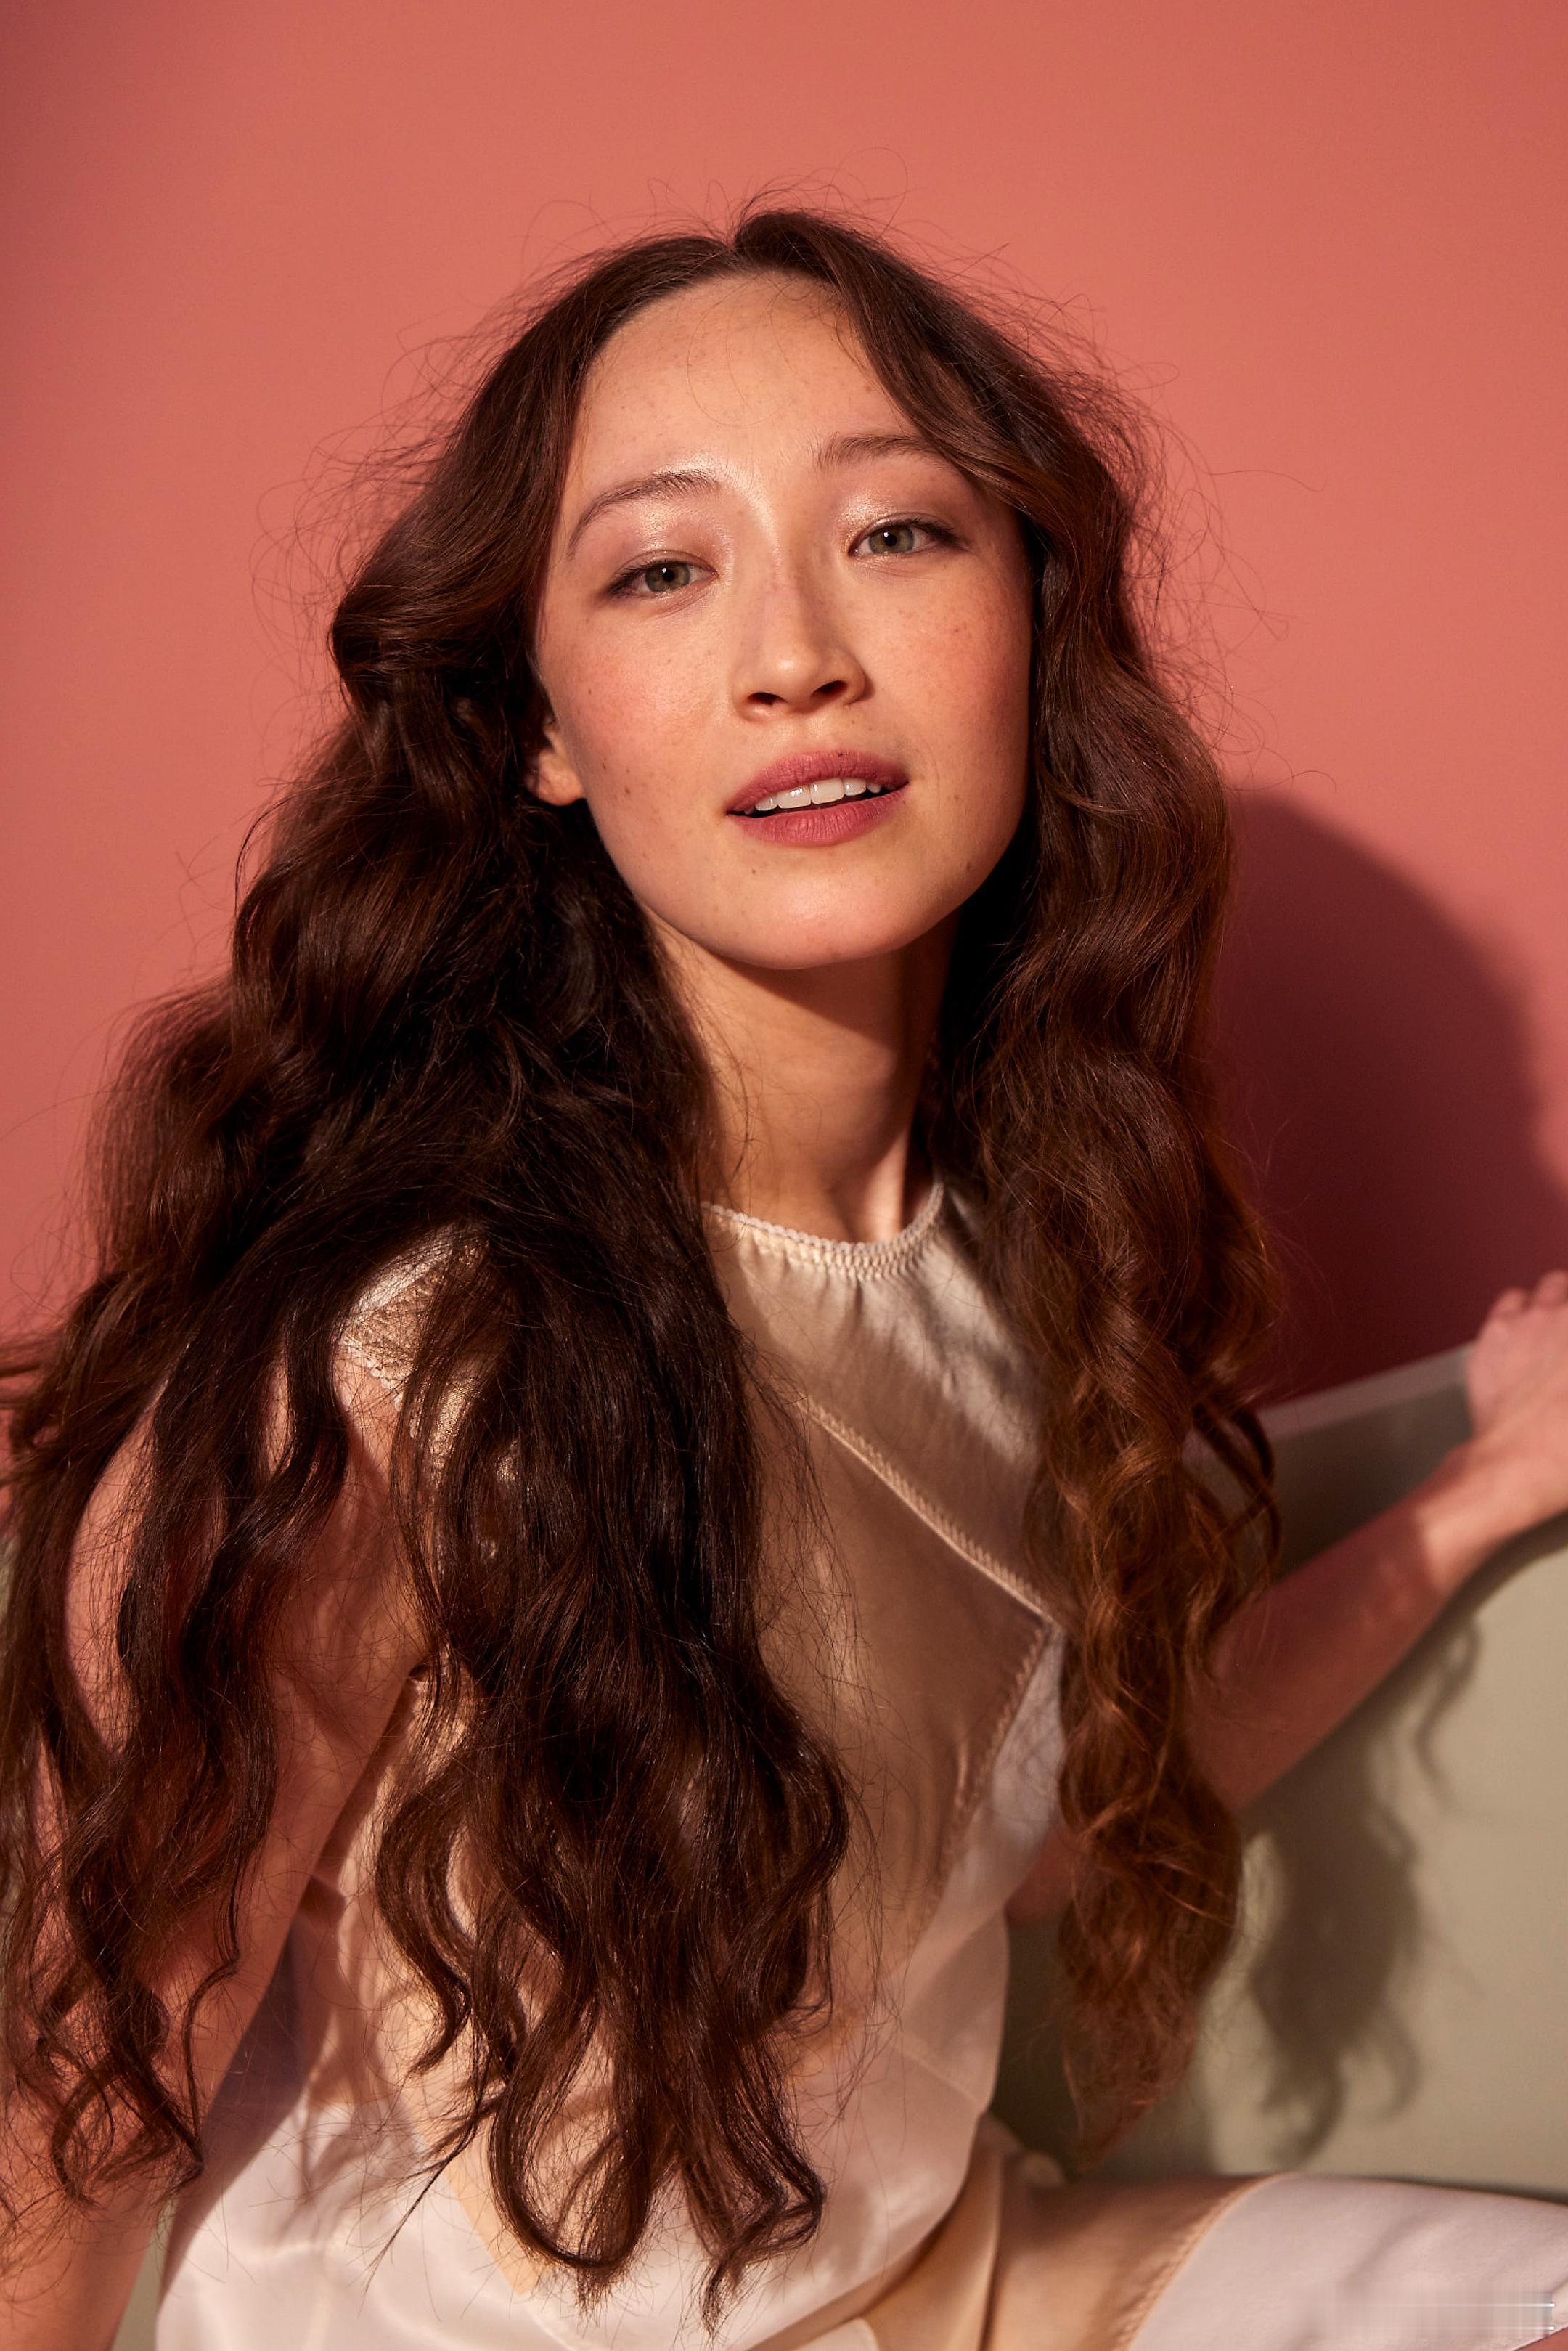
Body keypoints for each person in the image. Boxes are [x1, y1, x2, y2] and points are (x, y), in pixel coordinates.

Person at [3, 206, 1567, 2351]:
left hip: (956, 2281)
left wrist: (1475, 1498)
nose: (795, 654)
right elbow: (85, 2078)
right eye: (662, 569)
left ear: (1035, 624)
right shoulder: (389, 1358)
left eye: (898, 534)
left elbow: (1058, 1828)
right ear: (541, 728)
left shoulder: (1031, 1257)